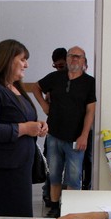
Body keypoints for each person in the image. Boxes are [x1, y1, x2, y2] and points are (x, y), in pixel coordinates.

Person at [0, 39, 48, 217]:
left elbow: (25, 120)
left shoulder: (15, 89)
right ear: (7, 60)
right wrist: (25, 128)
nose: (26, 65)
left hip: (19, 169)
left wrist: (39, 126)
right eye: (22, 59)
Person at [32, 46, 97, 218]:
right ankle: (54, 207)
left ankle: (70, 209)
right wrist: (45, 106)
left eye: (78, 56)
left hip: (76, 138)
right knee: (54, 173)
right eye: (71, 56)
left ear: (84, 61)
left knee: (74, 176)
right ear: (67, 59)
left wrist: (84, 135)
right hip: (54, 135)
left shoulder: (90, 83)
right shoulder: (55, 77)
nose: (74, 59)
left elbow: (91, 110)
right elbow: (35, 88)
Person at [42, 47, 69, 209]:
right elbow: (41, 91)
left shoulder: (75, 79)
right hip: (53, 129)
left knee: (73, 169)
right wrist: (46, 105)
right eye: (56, 66)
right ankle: (49, 197)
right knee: (51, 166)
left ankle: (68, 198)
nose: (59, 69)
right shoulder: (53, 80)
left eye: (61, 66)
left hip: (72, 131)